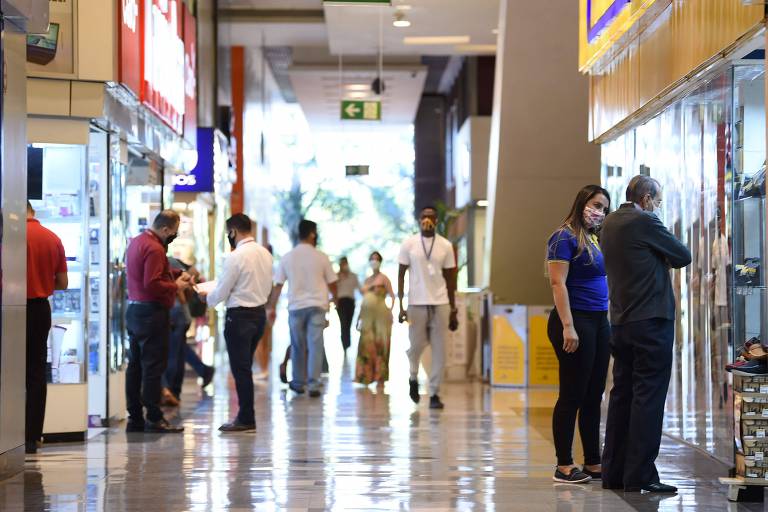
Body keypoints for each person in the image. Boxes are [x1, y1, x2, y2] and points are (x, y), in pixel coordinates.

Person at [600, 176, 691, 493]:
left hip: (622, 322)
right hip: (651, 322)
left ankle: (614, 472)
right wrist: (661, 256)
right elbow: (682, 255)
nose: (658, 207)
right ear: (647, 198)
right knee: (648, 398)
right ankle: (640, 475)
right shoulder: (645, 220)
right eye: (659, 201)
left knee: (622, 395)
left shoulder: (610, 222)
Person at [546, 185, 611, 484]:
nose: (599, 212)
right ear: (582, 202)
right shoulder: (563, 237)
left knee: (593, 394)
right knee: (572, 393)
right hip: (574, 321)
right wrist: (568, 326)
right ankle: (563, 464)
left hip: (598, 321)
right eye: (596, 205)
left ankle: (593, 462)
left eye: (604, 209)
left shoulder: (595, 239)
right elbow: (558, 284)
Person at [201, 213, 273, 432]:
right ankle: (246, 415)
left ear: (233, 231)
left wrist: (207, 298)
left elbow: (223, 289)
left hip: (239, 317)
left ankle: (246, 417)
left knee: (240, 369)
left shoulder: (235, 256)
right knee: (245, 367)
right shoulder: (265, 254)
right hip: (258, 316)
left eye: (228, 233)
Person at [125, 210, 191, 433]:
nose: (173, 236)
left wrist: (175, 272)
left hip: (134, 310)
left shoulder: (137, 242)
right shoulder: (155, 248)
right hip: (151, 314)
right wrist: (177, 286)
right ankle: (154, 417)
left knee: (134, 366)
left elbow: (153, 271)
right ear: (165, 229)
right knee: (153, 367)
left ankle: (134, 418)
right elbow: (152, 283)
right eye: (173, 232)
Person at [398, 206, 459, 410]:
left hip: (440, 303)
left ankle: (434, 392)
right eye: (424, 217)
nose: (427, 220)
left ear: (436, 220)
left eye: (431, 217)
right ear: (419, 220)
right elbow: (401, 274)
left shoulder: (445, 245)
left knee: (439, 350)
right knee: (415, 346)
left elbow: (451, 279)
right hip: (416, 303)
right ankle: (413, 377)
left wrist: (453, 309)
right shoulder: (409, 244)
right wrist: (400, 305)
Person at [268, 219, 337, 398]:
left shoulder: (288, 257)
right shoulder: (321, 256)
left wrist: (271, 307)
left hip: (296, 307)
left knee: (298, 345)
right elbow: (332, 283)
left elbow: (278, 284)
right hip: (317, 306)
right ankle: (313, 384)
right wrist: (334, 301)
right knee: (315, 346)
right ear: (312, 233)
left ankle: (298, 383)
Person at [25, 201, 68, 454]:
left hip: (9, 309)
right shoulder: (52, 238)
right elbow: (62, 282)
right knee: (36, 372)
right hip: (40, 310)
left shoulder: (7, 235)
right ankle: (32, 436)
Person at [161, 258, 214, 406]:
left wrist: (182, 296)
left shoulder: (169, 261)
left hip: (174, 312)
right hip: (180, 313)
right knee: (178, 351)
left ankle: (170, 391)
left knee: (173, 353)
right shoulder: (172, 261)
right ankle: (175, 390)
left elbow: (182, 283)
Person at [355, 251, 395, 386]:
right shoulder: (367, 280)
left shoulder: (384, 278)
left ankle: (380, 377)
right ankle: (366, 376)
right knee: (366, 345)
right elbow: (364, 300)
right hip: (367, 318)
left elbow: (392, 295)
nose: (374, 261)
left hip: (381, 318)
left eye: (376, 259)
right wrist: (359, 318)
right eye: (372, 259)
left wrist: (390, 310)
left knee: (380, 346)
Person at [336, 257, 359, 353]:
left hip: (350, 302)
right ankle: (344, 345)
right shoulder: (336, 276)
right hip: (341, 302)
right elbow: (332, 290)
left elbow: (359, 288)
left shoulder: (353, 276)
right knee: (343, 324)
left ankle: (347, 344)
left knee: (348, 324)